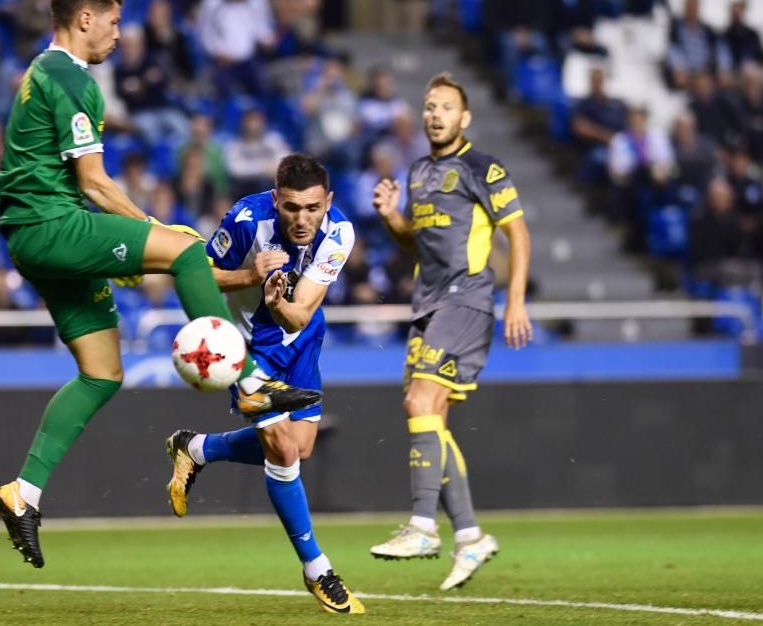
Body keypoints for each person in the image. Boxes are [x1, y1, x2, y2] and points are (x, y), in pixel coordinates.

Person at [0, 0, 319, 571]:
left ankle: (23, 492)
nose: (119, 34)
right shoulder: (69, 77)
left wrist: (146, 245)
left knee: (102, 372)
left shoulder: (43, 72)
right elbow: (93, 183)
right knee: (187, 249)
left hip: (31, 236)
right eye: (113, 22)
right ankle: (248, 385)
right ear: (84, 19)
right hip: (51, 225)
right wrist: (154, 234)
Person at [164, 153, 365, 614]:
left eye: (313, 208)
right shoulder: (244, 219)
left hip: (302, 340)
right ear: (276, 200)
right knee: (284, 451)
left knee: (302, 447)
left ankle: (196, 449)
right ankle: (317, 568)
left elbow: (300, 311)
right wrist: (249, 276)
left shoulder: (340, 233)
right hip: (249, 348)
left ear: (328, 202)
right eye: (292, 207)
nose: (302, 219)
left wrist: (279, 305)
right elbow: (195, 274)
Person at [369, 73, 532, 590]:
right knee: (428, 416)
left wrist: (516, 302)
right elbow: (416, 246)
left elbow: (518, 234)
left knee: (421, 404)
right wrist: (392, 218)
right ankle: (470, 536)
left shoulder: (484, 167)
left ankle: (422, 526)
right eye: (428, 105)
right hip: (428, 306)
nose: (434, 114)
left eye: (445, 107)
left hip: (467, 301)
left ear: (465, 118)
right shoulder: (418, 172)